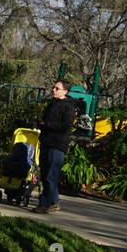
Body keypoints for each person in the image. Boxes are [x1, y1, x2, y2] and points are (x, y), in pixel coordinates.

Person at [35, 79, 79, 213]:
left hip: (57, 145)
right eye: (53, 87)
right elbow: (45, 121)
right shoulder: (51, 104)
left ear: (65, 91)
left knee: (51, 175)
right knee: (44, 175)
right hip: (46, 143)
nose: (53, 90)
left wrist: (46, 125)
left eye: (57, 88)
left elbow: (66, 126)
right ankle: (48, 202)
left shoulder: (69, 107)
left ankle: (49, 203)